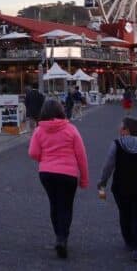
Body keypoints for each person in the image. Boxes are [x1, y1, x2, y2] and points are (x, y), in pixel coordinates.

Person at [28, 99, 89, 259]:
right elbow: (81, 156)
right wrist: (84, 179)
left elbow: (33, 153)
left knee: (54, 204)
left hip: (47, 173)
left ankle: (58, 236)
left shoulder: (39, 130)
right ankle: (63, 238)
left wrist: (45, 159)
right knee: (66, 206)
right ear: (61, 111)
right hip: (68, 173)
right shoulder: (71, 129)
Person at [97, 116, 137, 263]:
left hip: (121, 187)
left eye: (121, 126)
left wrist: (102, 182)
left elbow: (108, 166)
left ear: (126, 130)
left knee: (124, 214)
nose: (119, 128)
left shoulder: (116, 145)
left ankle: (129, 240)